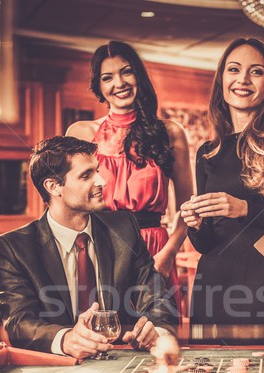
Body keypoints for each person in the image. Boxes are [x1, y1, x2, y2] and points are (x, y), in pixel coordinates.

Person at [0, 136, 177, 359]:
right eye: (86, 175)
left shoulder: (124, 227)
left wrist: (156, 330)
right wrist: (66, 339)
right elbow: (20, 323)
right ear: (53, 186)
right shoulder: (12, 248)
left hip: (116, 357)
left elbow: (156, 295)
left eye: (97, 171)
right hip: (56, 366)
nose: (102, 181)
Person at [180, 38, 264, 324]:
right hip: (209, 283)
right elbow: (204, 243)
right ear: (221, 79)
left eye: (256, 72)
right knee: (205, 369)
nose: (243, 80)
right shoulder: (207, 152)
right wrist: (195, 224)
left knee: (258, 369)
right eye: (234, 70)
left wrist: (244, 209)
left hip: (260, 283)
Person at [66, 40, 193, 314]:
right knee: (101, 341)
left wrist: (169, 254)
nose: (119, 83)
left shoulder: (170, 132)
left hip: (154, 249)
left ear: (139, 76)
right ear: (99, 87)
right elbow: (68, 203)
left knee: (158, 337)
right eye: (107, 77)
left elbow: (187, 206)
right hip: (99, 245)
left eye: (126, 72)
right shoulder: (80, 133)